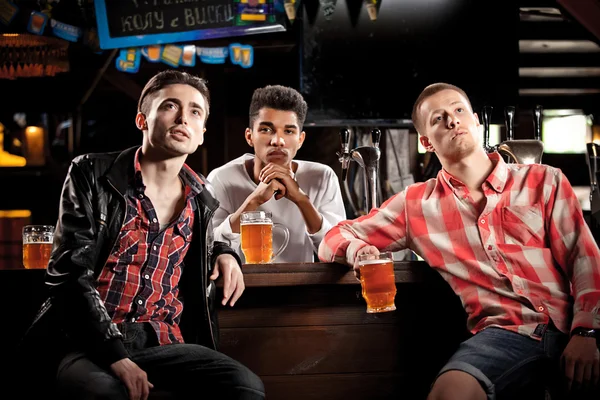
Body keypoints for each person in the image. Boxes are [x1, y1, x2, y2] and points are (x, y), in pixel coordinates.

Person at [318, 82, 600, 400]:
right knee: (449, 393)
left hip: (579, 325)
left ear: (477, 122)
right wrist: (359, 251)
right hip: (506, 334)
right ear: (426, 141)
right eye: (439, 119)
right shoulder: (416, 205)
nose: (452, 120)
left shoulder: (544, 180)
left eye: (458, 110)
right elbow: (331, 239)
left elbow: (584, 259)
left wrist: (586, 331)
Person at [16, 70, 265, 400]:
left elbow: (205, 242)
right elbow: (69, 272)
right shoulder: (92, 173)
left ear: (202, 133)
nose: (182, 118)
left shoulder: (202, 197)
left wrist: (226, 252)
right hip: (90, 341)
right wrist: (116, 356)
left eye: (195, 111)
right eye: (169, 106)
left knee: (246, 387)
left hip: (166, 342)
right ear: (142, 120)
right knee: (107, 392)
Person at [206, 85, 345, 263]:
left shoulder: (321, 177)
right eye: (266, 129)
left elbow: (337, 251)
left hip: (302, 287)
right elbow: (210, 249)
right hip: (242, 287)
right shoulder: (222, 178)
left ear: (300, 139)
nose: (277, 141)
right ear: (249, 136)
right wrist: (253, 201)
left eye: (288, 131)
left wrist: (301, 200)